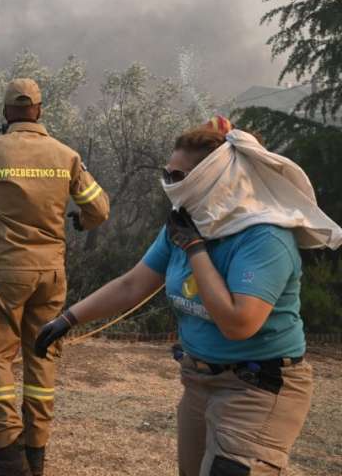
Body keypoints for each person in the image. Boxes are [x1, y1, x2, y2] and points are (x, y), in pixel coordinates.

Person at [36, 116, 342, 476]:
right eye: (167, 174)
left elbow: (239, 323)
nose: (169, 185)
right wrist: (68, 319)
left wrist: (196, 250)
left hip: (258, 387)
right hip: (199, 381)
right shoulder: (185, 224)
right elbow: (134, 284)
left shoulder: (264, 238)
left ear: (213, 176)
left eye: (178, 177)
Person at [0, 79, 110, 476]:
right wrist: (80, 223)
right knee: (42, 356)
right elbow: (99, 209)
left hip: (6, 272)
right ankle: (36, 452)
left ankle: (7, 452)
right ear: (40, 110)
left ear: (5, 114)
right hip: (51, 273)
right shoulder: (66, 155)